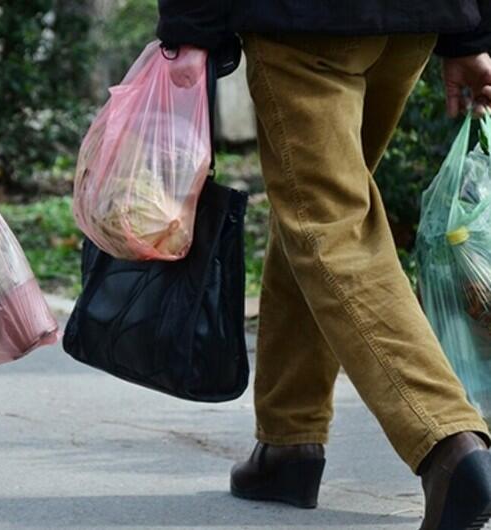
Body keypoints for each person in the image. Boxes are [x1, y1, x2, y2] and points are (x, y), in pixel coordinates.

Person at [157, 1, 491, 529]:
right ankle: (289, 443)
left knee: (329, 228)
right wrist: (470, 33)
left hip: (304, 24)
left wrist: (188, 29)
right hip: (413, 23)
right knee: (313, 211)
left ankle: (450, 444)